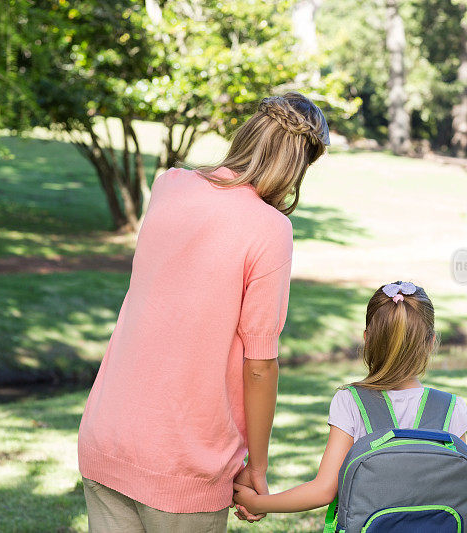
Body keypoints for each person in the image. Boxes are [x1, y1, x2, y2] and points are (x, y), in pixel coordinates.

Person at [77, 92, 330, 532]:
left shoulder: (170, 184)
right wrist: (258, 467)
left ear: (249, 133)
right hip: (184, 461)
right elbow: (260, 366)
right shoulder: (271, 230)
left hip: (107, 435)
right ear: (298, 165)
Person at [232, 281, 467, 516]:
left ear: (367, 339)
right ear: (431, 342)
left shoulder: (351, 402)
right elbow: (464, 492)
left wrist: (259, 503)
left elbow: (324, 490)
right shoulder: (452, 408)